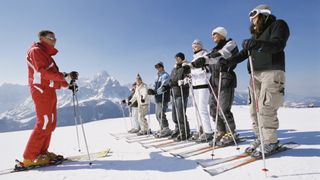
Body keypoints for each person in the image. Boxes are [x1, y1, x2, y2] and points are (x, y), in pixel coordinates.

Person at [219, 4, 290, 157]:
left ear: (264, 14)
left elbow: (278, 45)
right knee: (254, 109)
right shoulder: (255, 36)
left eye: (254, 15)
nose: (251, 19)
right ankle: (260, 138)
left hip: (271, 71)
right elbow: (244, 53)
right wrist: (229, 61)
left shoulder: (278, 25)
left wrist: (257, 44)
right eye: (250, 17)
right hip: (255, 74)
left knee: (266, 107)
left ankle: (270, 141)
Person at [22, 30, 78, 167]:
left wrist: (67, 83)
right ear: (42, 38)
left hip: (48, 91)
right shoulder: (36, 51)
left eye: (55, 38)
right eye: (51, 37)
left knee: (50, 124)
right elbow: (43, 73)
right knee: (44, 123)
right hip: (40, 91)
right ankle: (29, 158)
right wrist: (64, 77)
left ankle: (42, 152)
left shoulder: (46, 55)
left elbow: (53, 75)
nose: (54, 40)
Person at [191, 27, 239, 146]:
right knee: (213, 108)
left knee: (223, 108)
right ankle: (221, 131)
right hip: (214, 80)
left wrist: (206, 59)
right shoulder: (213, 50)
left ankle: (231, 132)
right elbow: (209, 60)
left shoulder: (231, 44)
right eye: (212, 35)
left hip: (226, 78)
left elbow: (223, 54)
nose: (213, 36)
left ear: (222, 34)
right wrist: (197, 64)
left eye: (215, 34)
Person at [189, 39, 213, 143]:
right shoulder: (193, 59)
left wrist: (195, 72)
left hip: (203, 84)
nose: (195, 46)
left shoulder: (205, 55)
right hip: (195, 86)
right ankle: (200, 129)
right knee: (197, 109)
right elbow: (193, 71)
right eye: (193, 45)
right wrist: (189, 76)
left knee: (202, 108)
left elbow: (207, 70)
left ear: (201, 46)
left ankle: (208, 131)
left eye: (197, 45)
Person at [169, 52, 191, 141]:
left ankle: (185, 132)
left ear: (182, 58)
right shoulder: (174, 69)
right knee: (174, 115)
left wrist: (181, 82)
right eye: (176, 58)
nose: (177, 59)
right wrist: (170, 83)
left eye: (178, 57)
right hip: (174, 93)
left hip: (182, 93)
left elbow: (188, 79)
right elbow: (171, 80)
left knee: (181, 114)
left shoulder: (185, 67)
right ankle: (178, 129)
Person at [147, 62, 171, 138]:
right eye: (156, 68)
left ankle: (166, 129)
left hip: (164, 97)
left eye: (159, 67)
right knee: (157, 115)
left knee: (161, 114)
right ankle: (162, 128)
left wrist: (155, 92)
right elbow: (155, 87)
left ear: (162, 67)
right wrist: (152, 90)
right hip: (158, 98)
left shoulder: (165, 75)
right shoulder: (156, 77)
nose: (157, 69)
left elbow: (163, 87)